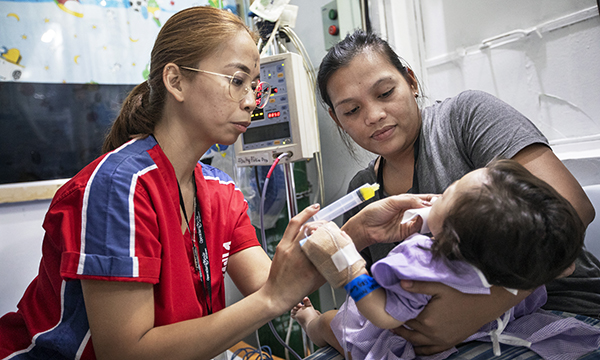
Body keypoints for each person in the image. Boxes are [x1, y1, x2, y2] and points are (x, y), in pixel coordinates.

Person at [0, 8, 432, 359]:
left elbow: (274, 283)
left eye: (255, 86)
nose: (250, 101)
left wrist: (353, 233)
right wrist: (271, 303)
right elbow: (126, 352)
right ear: (175, 81)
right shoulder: (121, 186)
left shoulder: (220, 192)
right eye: (237, 80)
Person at [316, 29, 599, 355]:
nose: (374, 116)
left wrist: (486, 303)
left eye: (385, 93)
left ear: (410, 81)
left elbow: (572, 209)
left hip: (556, 304)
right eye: (351, 111)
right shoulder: (363, 193)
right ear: (337, 119)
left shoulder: (465, 118)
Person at [293, 159, 600, 360]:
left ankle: (309, 321)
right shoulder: (510, 256)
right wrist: (431, 224)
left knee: (334, 326)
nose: (439, 194)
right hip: (483, 327)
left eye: (450, 191)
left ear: (450, 237)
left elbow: (384, 316)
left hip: (389, 328)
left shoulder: (419, 263)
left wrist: (348, 266)